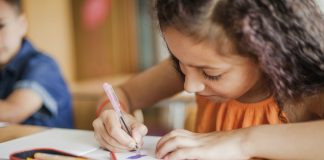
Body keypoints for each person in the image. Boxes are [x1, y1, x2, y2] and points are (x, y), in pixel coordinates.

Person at [93, 0, 324, 159]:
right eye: (180, 63)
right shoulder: (195, 64)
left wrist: (241, 141)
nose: (189, 85)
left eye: (211, 74)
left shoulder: (307, 89)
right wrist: (112, 116)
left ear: (268, 53)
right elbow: (118, 94)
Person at [0, 0, 73, 128]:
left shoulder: (43, 65)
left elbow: (13, 112)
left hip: (50, 147)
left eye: (1, 25)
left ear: (22, 25)